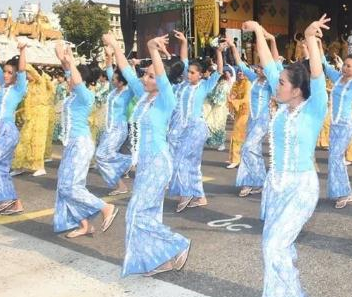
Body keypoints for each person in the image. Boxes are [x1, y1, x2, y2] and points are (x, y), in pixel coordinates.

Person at [244, 16, 328, 297]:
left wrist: (308, 37)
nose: (275, 84)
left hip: (301, 188)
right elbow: (268, 64)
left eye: (281, 82)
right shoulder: (282, 108)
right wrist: (256, 32)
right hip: (275, 187)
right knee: (274, 246)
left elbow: (316, 75)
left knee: (274, 247)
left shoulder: (315, 108)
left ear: (296, 90)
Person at [104, 33, 191, 277]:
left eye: (150, 75)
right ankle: (156, 259)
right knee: (148, 213)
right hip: (143, 165)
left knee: (136, 212)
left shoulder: (167, 99)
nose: (145, 78)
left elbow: (163, 78)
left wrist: (153, 49)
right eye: (146, 74)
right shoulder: (142, 97)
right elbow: (126, 70)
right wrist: (114, 45)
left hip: (158, 163)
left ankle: (177, 243)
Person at [52, 42, 118, 238]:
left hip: (81, 145)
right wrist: (62, 58)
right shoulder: (72, 95)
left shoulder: (85, 96)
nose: (68, 80)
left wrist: (71, 61)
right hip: (72, 145)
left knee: (71, 187)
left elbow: (77, 80)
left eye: (72, 77)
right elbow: (69, 75)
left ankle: (105, 207)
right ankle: (84, 225)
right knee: (65, 186)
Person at [168, 32, 223, 212]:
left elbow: (220, 72)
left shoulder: (205, 86)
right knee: (190, 163)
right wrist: (184, 41)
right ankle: (200, 196)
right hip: (180, 129)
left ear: (200, 75)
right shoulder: (181, 86)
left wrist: (219, 52)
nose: (189, 74)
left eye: (192, 72)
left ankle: (186, 193)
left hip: (196, 128)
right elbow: (184, 61)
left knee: (183, 160)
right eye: (188, 72)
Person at [322, 41, 352, 209]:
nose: (345, 68)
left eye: (349, 66)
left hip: (345, 125)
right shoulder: (337, 79)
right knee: (334, 158)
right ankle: (341, 191)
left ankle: (345, 193)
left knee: (336, 157)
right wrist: (317, 43)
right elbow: (324, 64)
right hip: (334, 125)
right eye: (344, 65)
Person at [228, 36, 273, 197]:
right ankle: (256, 181)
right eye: (258, 67)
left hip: (263, 120)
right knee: (254, 150)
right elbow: (240, 63)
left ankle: (254, 180)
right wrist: (233, 46)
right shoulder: (253, 79)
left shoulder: (271, 84)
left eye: (262, 68)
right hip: (252, 120)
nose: (258, 70)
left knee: (247, 148)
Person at [94, 47, 133, 196]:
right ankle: (121, 185)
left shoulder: (128, 92)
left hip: (119, 128)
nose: (112, 80)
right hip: (109, 128)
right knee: (102, 158)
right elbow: (109, 68)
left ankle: (131, 160)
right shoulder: (113, 89)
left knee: (102, 155)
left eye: (115, 79)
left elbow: (131, 78)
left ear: (121, 81)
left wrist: (128, 64)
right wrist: (109, 55)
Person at [0, 43, 28, 215]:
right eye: (5, 72)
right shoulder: (3, 87)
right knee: (0, 168)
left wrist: (22, 51)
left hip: (8, 132)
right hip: (0, 131)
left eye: (10, 73)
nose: (6, 75)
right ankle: (14, 202)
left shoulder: (18, 88)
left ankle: (9, 201)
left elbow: (22, 70)